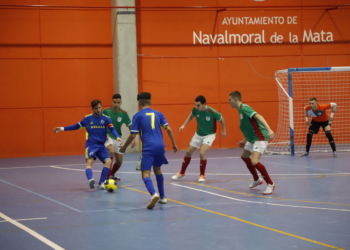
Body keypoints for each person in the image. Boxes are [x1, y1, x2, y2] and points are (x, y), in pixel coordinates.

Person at [120, 92, 178, 209]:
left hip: (148, 146)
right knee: (158, 170)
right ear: (150, 101)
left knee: (145, 173)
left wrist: (124, 147)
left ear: (139, 102)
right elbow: (169, 129)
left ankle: (153, 194)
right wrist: (174, 144)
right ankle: (163, 197)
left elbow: (132, 135)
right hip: (160, 145)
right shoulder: (159, 114)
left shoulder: (138, 116)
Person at [53, 100, 121, 189]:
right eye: (96, 108)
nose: (98, 110)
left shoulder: (106, 118)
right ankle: (90, 180)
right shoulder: (87, 119)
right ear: (92, 109)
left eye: (99, 107)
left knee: (108, 161)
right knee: (90, 161)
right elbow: (76, 126)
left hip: (101, 145)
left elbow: (112, 129)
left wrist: (117, 137)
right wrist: (62, 128)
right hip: (91, 144)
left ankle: (101, 184)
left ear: (101, 107)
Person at [228, 91, 276, 195]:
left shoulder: (245, 108)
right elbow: (248, 127)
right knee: (244, 156)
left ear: (235, 100)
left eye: (230, 100)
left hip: (260, 137)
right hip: (252, 138)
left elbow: (260, 117)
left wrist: (269, 130)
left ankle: (270, 184)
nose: (228, 102)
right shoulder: (240, 110)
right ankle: (256, 179)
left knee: (254, 161)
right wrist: (244, 140)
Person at [172, 95, 226, 182]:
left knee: (202, 152)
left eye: (198, 105)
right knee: (189, 152)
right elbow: (191, 116)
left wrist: (224, 130)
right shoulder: (195, 110)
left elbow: (221, 119)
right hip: (198, 134)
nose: (196, 107)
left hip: (209, 135)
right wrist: (183, 125)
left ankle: (202, 175)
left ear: (204, 104)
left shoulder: (212, 112)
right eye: (195, 105)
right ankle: (182, 173)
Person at [103, 94, 136, 181]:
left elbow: (130, 126)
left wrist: (133, 138)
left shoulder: (124, 114)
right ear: (111, 102)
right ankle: (106, 178)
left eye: (118, 102)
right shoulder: (106, 111)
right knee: (111, 152)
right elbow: (100, 122)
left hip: (117, 138)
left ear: (121, 102)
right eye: (114, 102)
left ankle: (111, 175)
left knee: (119, 161)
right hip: (108, 136)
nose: (116, 104)